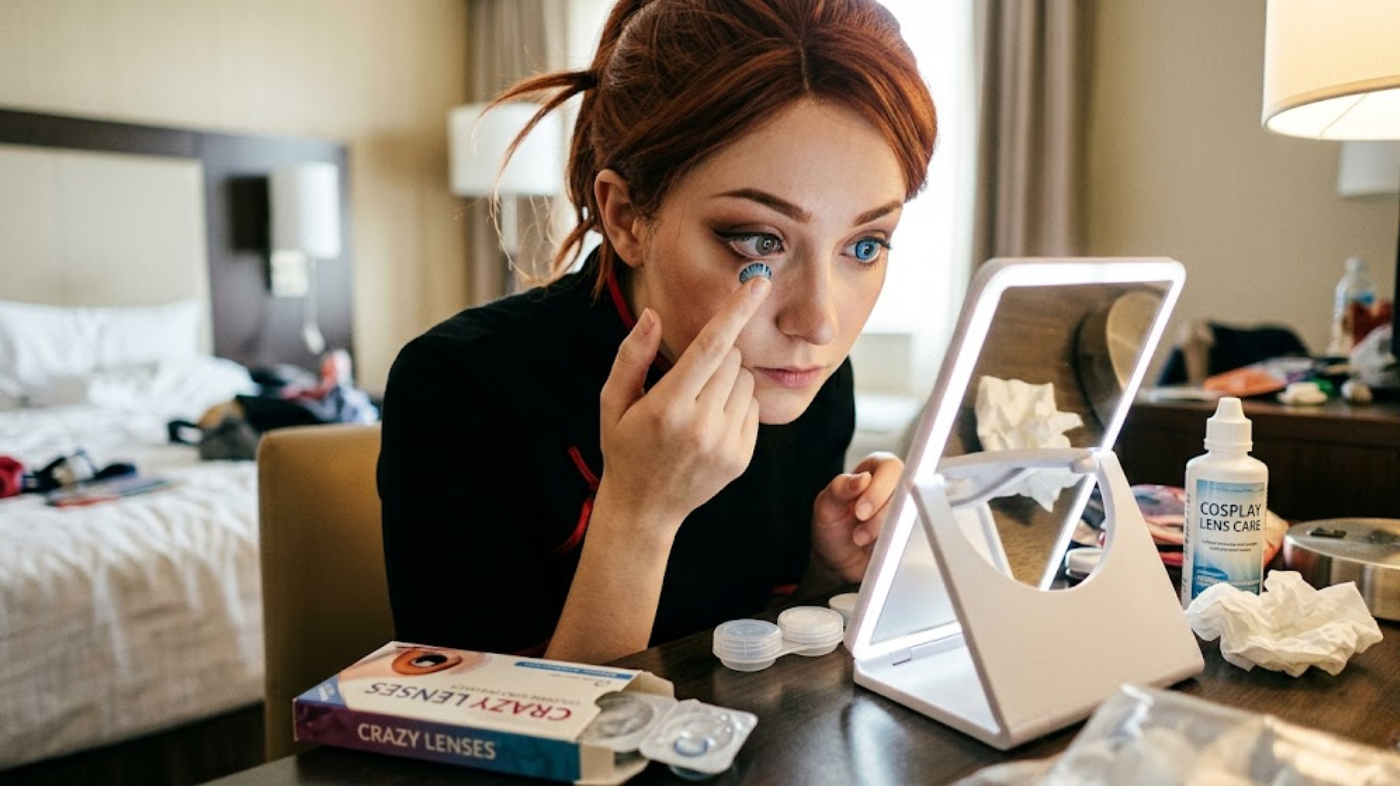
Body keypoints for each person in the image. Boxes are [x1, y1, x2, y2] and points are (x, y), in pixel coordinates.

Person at [378, 0, 937, 666]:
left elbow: (745, 648)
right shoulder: (461, 387)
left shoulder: (806, 377)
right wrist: (638, 515)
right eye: (760, 240)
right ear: (626, 217)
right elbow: (486, 745)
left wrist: (827, 571)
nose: (818, 323)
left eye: (866, 246)